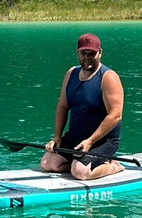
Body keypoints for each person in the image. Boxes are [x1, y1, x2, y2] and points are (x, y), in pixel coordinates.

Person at [40, 33, 125, 180]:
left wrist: (90, 141)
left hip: (102, 142)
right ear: (77, 53)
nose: (87, 57)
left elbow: (115, 115)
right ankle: (77, 164)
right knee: (48, 164)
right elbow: (62, 106)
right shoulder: (71, 74)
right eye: (83, 53)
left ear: (100, 53)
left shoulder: (108, 77)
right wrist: (57, 137)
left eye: (92, 53)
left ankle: (112, 166)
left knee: (81, 173)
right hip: (75, 139)